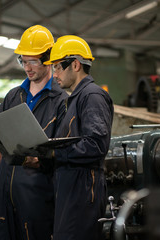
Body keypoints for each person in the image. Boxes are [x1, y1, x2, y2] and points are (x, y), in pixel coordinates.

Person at [0, 25, 68, 240]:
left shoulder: (61, 101)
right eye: (23, 61)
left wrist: (40, 159)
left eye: (32, 61)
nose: (27, 68)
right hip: (4, 194)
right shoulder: (14, 96)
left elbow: (64, 150)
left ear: (48, 60)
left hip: (37, 195)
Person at [43, 35, 114, 240]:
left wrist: (55, 152)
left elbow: (96, 144)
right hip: (71, 189)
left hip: (83, 192)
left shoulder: (92, 96)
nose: (54, 74)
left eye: (57, 67)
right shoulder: (74, 99)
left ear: (75, 64)